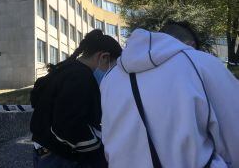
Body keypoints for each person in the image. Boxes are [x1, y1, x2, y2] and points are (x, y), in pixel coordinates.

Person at [101, 21, 239, 168]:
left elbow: (110, 141)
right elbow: (233, 133)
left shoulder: (109, 78)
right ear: (190, 45)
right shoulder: (201, 62)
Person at [30, 29, 122, 168]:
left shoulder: (64, 70)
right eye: (113, 68)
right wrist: (100, 153)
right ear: (103, 57)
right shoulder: (82, 77)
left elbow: (38, 100)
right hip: (61, 157)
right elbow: (68, 126)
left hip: (44, 153)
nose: (112, 74)